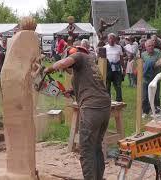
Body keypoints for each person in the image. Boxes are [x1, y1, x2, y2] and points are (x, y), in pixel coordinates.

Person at [44, 46, 111, 180]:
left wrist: (49, 69)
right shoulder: (90, 67)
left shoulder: (80, 56)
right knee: (96, 146)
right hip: (104, 107)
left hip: (92, 108)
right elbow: (86, 86)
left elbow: (62, 63)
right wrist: (70, 92)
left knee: (86, 150)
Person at [141, 39, 161, 118]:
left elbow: (160, 62)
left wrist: (150, 64)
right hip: (146, 78)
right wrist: (150, 64)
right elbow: (142, 65)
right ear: (145, 47)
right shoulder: (143, 54)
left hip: (155, 77)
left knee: (156, 95)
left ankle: (156, 111)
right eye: (149, 46)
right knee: (145, 95)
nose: (151, 47)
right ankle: (145, 111)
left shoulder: (158, 52)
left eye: (152, 45)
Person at [104, 33, 124, 102]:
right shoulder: (105, 48)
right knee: (107, 85)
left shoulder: (119, 47)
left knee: (118, 85)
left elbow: (121, 58)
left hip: (117, 68)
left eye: (113, 38)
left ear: (115, 39)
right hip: (108, 68)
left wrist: (123, 68)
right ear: (108, 39)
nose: (111, 40)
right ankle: (107, 99)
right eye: (110, 38)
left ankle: (119, 99)